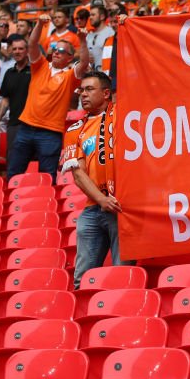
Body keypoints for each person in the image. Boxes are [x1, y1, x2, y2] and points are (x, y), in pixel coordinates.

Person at [7, 15, 90, 181]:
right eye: (54, 48)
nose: (56, 52)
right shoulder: (40, 66)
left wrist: (82, 40)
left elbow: (84, 62)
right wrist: (38, 24)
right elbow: (31, 44)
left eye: (61, 51)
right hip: (26, 127)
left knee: (47, 177)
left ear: (69, 57)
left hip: (50, 133)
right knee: (13, 175)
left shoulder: (69, 76)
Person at [62, 71, 123, 288]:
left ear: (106, 93)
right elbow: (78, 174)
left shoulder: (125, 115)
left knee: (123, 276)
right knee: (82, 279)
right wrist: (101, 200)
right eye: (81, 90)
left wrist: (109, 201)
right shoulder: (75, 129)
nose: (83, 94)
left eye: (89, 89)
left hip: (122, 206)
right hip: (94, 207)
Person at [0, 36, 31, 166]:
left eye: (21, 48)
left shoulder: (36, 71)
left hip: (33, 124)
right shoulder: (9, 73)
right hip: (14, 123)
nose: (17, 51)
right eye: (14, 49)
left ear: (27, 51)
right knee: (14, 162)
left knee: (33, 162)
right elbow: (5, 99)